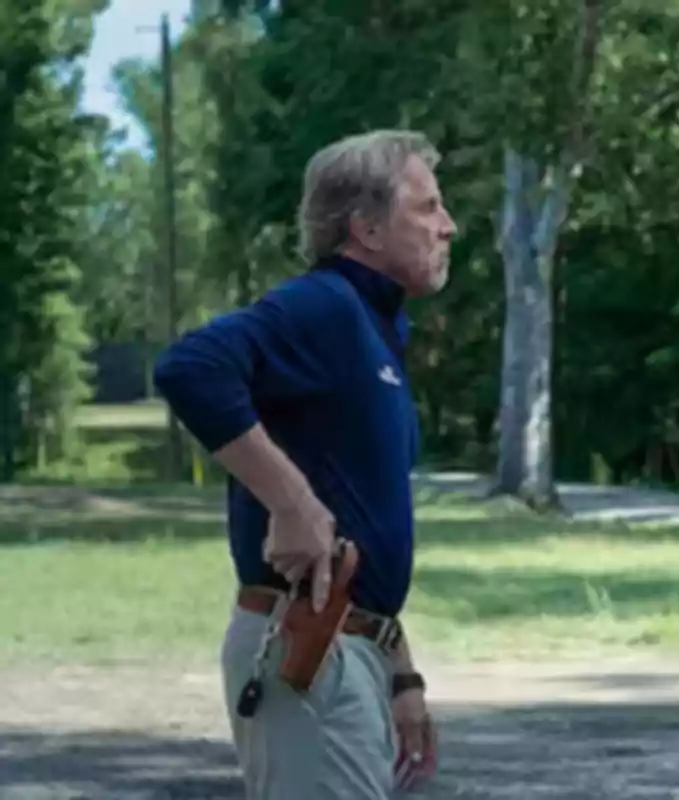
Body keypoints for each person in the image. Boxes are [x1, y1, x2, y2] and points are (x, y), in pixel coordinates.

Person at [153, 129, 457, 799]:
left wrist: (401, 673)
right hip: (306, 651)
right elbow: (190, 367)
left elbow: (364, 519)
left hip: (352, 650)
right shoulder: (324, 305)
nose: (449, 226)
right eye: (429, 207)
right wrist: (292, 504)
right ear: (367, 229)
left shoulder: (377, 329)